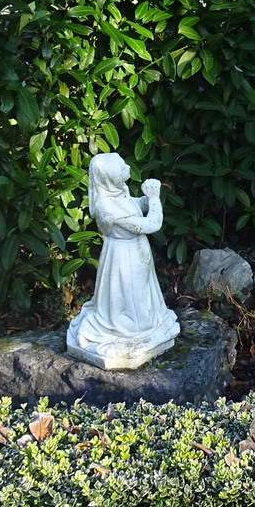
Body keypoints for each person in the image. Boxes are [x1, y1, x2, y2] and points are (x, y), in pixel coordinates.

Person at [67, 153, 179, 368]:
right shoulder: (107, 206)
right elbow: (152, 224)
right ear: (109, 177)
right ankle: (130, 329)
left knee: (142, 293)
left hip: (137, 252)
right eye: (121, 167)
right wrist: (155, 198)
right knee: (129, 295)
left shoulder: (119, 194)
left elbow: (136, 205)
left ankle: (145, 322)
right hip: (123, 258)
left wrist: (148, 198)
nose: (127, 167)